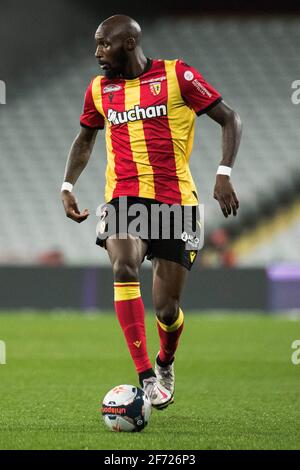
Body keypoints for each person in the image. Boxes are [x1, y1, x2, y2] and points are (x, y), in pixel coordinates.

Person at [61, 14, 242, 410]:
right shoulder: (99, 90)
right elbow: (85, 138)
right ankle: (145, 374)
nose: (96, 53)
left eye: (103, 44)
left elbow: (229, 118)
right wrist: (68, 185)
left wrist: (223, 173)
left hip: (176, 203)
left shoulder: (177, 75)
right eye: (95, 45)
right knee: (124, 264)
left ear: (128, 44)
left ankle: (164, 361)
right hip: (124, 198)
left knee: (166, 308)